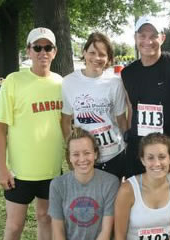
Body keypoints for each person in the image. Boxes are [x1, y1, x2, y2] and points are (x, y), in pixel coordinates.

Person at [0, 27, 63, 239]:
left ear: (55, 51)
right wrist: (2, 168)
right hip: (19, 172)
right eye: (37, 47)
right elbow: (0, 128)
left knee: (46, 218)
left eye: (48, 47)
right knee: (14, 226)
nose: (43, 52)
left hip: (51, 170)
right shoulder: (14, 81)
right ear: (28, 51)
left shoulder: (61, 83)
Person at [121, 15, 170, 178]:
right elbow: (131, 109)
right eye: (142, 36)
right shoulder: (127, 73)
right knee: (135, 203)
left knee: (167, 203)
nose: (147, 41)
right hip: (137, 156)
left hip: (165, 158)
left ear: (162, 38)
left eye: (153, 36)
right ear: (135, 38)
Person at [61, 32, 127, 179]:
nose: (96, 58)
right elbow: (65, 121)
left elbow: (121, 120)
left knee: (115, 201)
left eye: (102, 54)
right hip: (85, 159)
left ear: (108, 58)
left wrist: (128, 149)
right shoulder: (69, 82)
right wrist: (70, 151)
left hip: (114, 155)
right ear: (84, 53)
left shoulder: (115, 82)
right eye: (92, 52)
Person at [48, 127, 119, 239]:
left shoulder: (110, 183)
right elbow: (58, 231)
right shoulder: (57, 185)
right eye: (76, 154)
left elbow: (106, 231)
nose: (82, 159)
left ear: (95, 154)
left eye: (87, 153)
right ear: (69, 157)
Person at [114, 132, 170, 240]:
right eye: (150, 158)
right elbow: (119, 237)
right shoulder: (128, 189)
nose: (157, 163)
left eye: (162, 157)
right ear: (143, 160)